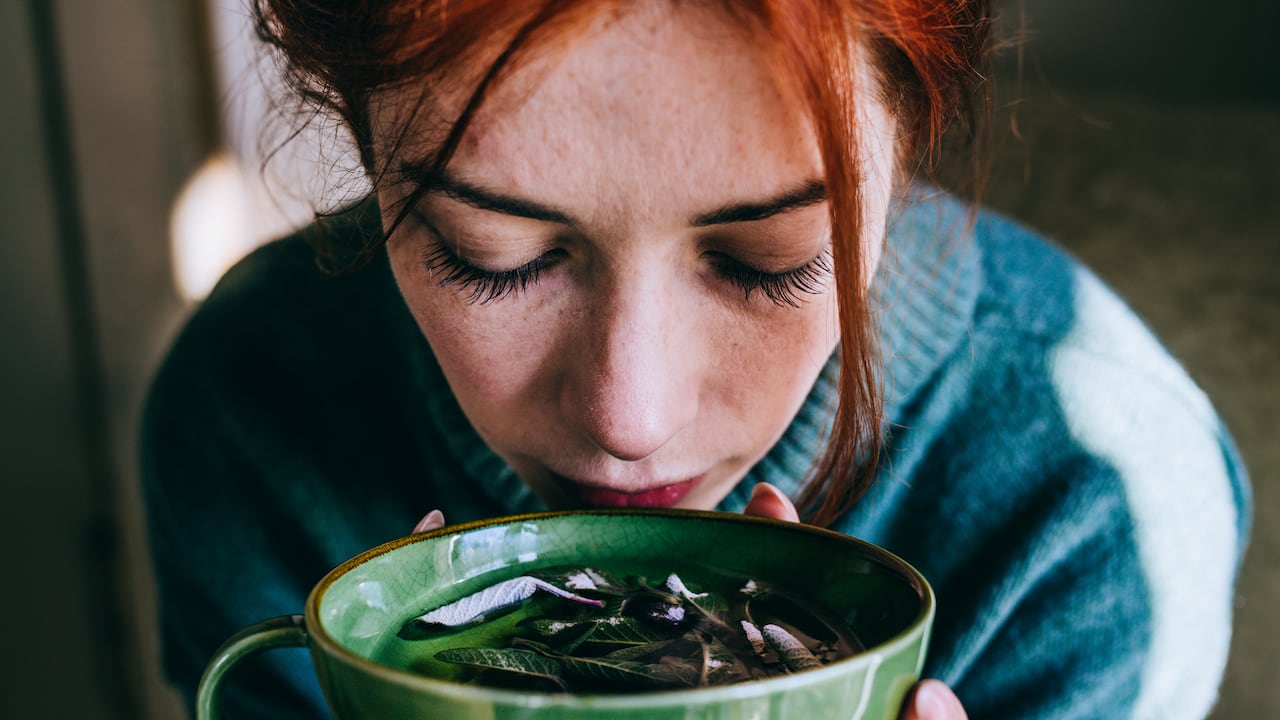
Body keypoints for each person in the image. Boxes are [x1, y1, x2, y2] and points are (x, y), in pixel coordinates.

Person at [140, 1, 1251, 718]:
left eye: (766, 264)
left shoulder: (1094, 506)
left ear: (907, 138)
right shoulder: (249, 418)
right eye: (493, 259)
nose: (629, 418)